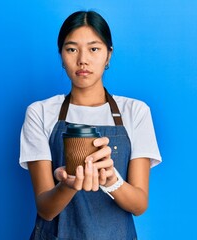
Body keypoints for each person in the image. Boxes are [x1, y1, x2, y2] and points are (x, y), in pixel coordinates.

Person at [19, 10, 162, 240]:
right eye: (71, 49)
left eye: (94, 49)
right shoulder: (40, 113)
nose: (82, 59)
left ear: (108, 55)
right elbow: (45, 208)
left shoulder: (135, 112)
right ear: (61, 56)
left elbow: (139, 204)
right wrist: (68, 185)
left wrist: (111, 180)